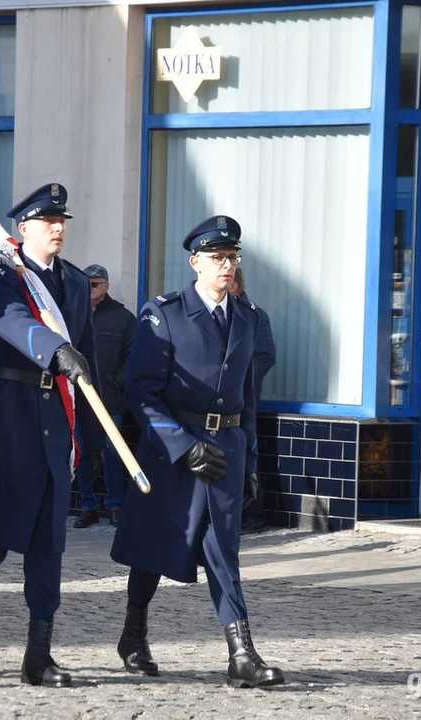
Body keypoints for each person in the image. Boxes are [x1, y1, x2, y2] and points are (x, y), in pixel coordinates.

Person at [110, 214, 284, 689]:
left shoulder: (247, 317)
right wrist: (181, 447)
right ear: (195, 262)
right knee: (153, 548)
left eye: (232, 257)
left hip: (226, 446)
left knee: (223, 551)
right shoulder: (162, 313)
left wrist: (248, 461)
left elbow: (248, 397)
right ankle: (134, 635)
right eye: (217, 257)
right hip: (172, 450)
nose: (227, 265)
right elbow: (141, 394)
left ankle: (241, 655)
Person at [0, 183, 102, 688]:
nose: (57, 228)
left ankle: (39, 652)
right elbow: (10, 322)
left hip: (55, 416)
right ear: (23, 228)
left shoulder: (74, 283)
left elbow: (87, 358)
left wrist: (92, 433)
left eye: (62, 221)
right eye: (46, 221)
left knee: (47, 540)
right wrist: (54, 348)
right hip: (4, 412)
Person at [73, 263, 135, 528]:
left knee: (112, 455)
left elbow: (134, 356)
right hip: (80, 398)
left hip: (110, 400)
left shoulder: (123, 318)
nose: (91, 288)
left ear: (107, 286)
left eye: (96, 283)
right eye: (86, 283)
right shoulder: (73, 314)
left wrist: (115, 382)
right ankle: (87, 506)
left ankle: (115, 506)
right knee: (84, 454)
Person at [230, 266, 276, 534]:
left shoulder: (254, 316)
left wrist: (238, 380)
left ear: (236, 285)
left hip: (242, 403)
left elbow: (265, 356)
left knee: (248, 456)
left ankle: (252, 515)